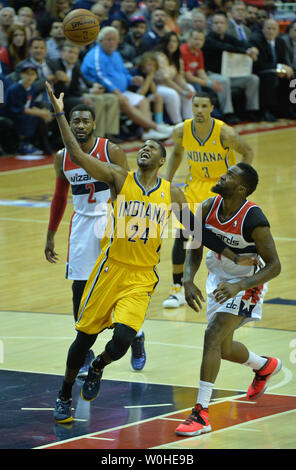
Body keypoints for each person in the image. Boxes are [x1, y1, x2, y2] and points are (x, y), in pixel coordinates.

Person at [45, 80, 258, 423]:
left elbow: (194, 236)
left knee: (122, 340)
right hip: (111, 267)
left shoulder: (173, 194)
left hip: (142, 277)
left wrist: (192, 277)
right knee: (83, 337)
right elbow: (79, 154)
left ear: (162, 160)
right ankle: (63, 394)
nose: (144, 149)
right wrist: (59, 114)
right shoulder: (119, 179)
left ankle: (99, 367)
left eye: (152, 148)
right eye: (141, 146)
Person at [175, 162, 282, 436]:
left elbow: (275, 266)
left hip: (248, 282)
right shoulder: (209, 207)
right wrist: (187, 279)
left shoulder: (254, 220)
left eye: (230, 175)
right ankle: (264, 365)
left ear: (241, 188)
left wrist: (241, 285)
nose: (223, 175)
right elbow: (196, 246)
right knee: (221, 348)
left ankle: (201, 413)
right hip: (218, 279)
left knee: (212, 334)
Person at [44, 102, 147, 376]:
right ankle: (85, 350)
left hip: (111, 222)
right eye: (74, 121)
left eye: (84, 121)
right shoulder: (62, 157)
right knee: (80, 288)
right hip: (82, 225)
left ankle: (136, 335)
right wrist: (51, 234)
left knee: (118, 285)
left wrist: (132, 229)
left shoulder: (110, 150)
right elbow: (59, 197)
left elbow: (129, 190)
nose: (79, 125)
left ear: (93, 125)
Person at [162, 92, 254, 308]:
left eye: (204, 106)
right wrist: (167, 181)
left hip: (222, 190)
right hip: (194, 187)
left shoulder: (225, 132)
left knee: (232, 240)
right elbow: (176, 153)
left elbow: (248, 152)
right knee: (183, 234)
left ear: (212, 108)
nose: (199, 110)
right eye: (196, 106)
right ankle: (177, 288)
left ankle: (244, 286)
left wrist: (242, 184)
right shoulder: (181, 130)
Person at [81, 26, 172, 141]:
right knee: (124, 101)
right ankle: (156, 127)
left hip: (120, 91)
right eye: (108, 39)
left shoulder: (116, 54)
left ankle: (147, 132)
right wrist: (117, 93)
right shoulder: (95, 55)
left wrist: (132, 79)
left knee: (142, 100)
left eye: (114, 40)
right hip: (104, 91)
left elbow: (123, 72)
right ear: (100, 41)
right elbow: (101, 78)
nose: (111, 42)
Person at [203, 11, 261, 124]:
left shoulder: (229, 37)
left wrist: (252, 49)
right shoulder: (208, 39)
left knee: (253, 79)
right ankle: (228, 113)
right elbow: (224, 47)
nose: (219, 25)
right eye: (216, 23)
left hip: (231, 75)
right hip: (211, 75)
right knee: (224, 81)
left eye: (221, 22)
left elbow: (243, 44)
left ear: (226, 25)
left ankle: (251, 110)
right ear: (211, 25)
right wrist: (245, 51)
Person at [250, 18, 295, 121]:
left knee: (292, 76)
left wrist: (286, 69)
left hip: (276, 70)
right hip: (260, 72)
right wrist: (278, 68)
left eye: (273, 29)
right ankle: (268, 111)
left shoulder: (280, 41)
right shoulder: (256, 41)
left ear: (278, 31)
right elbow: (259, 64)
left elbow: (283, 61)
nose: (270, 31)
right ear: (263, 29)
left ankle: (289, 110)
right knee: (271, 76)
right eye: (268, 28)